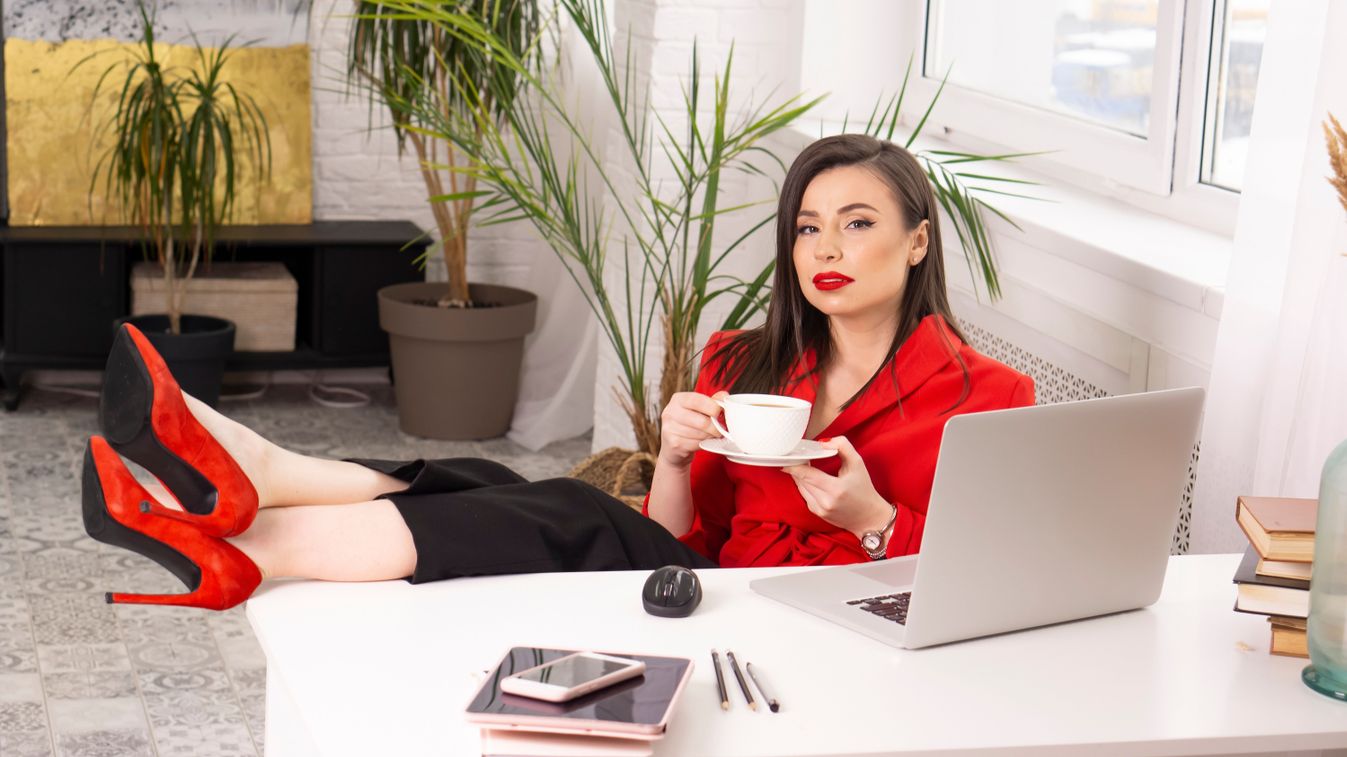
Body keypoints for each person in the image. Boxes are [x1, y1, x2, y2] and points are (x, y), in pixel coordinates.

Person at [82, 134, 1034, 611]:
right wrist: (671, 457)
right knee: (502, 486)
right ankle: (252, 527)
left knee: (572, 512)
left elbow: (995, 586)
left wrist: (868, 521)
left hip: (816, 619)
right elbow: (668, 535)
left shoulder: (989, 397)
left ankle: (257, 501)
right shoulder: (744, 361)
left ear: (917, 242)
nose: (825, 246)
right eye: (806, 226)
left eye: (857, 223)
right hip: (712, 586)